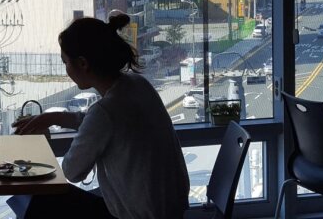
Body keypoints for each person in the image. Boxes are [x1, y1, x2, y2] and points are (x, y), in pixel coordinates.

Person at [11, 13, 190, 219]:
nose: (66, 70)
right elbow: (95, 121)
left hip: (138, 215)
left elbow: (71, 171)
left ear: (83, 63)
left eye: (65, 62)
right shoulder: (137, 84)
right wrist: (52, 118)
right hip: (170, 209)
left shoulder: (105, 111)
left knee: (39, 199)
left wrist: (43, 141)